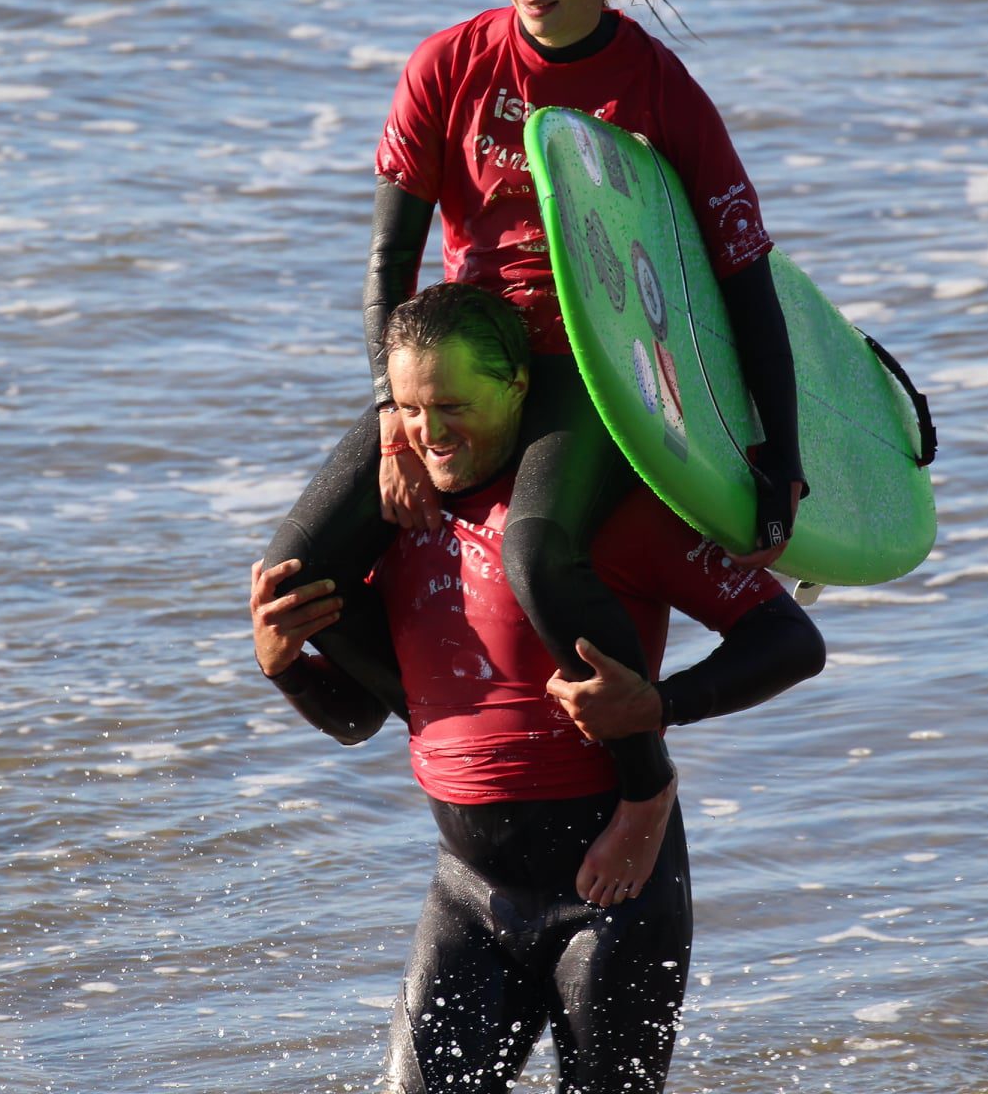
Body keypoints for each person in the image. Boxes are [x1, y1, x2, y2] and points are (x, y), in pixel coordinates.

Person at [260, 0, 808, 904]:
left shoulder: (656, 88)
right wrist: (391, 417)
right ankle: (409, 711)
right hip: (461, 354)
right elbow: (388, 265)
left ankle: (642, 784)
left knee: (539, 558)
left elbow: (744, 276)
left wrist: (774, 449)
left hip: (593, 371)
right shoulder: (449, 65)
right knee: (293, 574)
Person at [250, 284, 825, 1094]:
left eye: (453, 405)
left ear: (520, 386)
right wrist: (285, 667)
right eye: (409, 410)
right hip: (467, 891)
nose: (428, 432)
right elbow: (360, 719)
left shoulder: (602, 520)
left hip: (612, 890)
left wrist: (661, 706)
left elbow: (790, 641)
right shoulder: (398, 530)